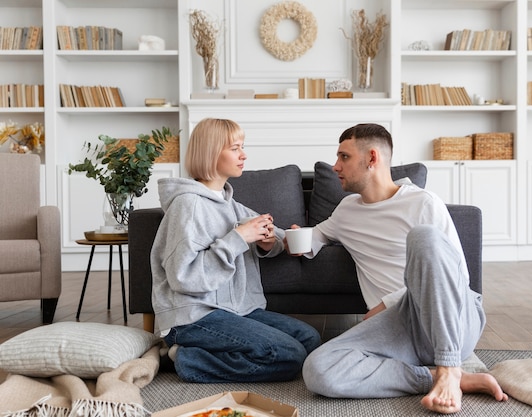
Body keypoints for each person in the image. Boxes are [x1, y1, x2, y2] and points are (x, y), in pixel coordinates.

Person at [291, 123, 507, 414]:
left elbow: (457, 277)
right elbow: (312, 238)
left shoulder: (422, 202)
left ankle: (449, 365)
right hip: (399, 328)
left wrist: (387, 302)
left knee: (424, 237)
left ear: (371, 158)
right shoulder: (346, 210)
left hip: (453, 321)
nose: (335, 166)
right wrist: (273, 238)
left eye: (344, 157)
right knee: (317, 369)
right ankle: (440, 377)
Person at [150, 117, 321, 383]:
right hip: (195, 314)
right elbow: (183, 277)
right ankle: (187, 359)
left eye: (242, 147)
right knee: (288, 355)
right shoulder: (188, 206)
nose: (244, 155)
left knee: (309, 339)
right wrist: (239, 237)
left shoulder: (230, 204)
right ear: (210, 152)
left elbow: (271, 233)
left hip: (237, 309)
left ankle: (196, 353)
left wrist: (270, 241)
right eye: (235, 148)